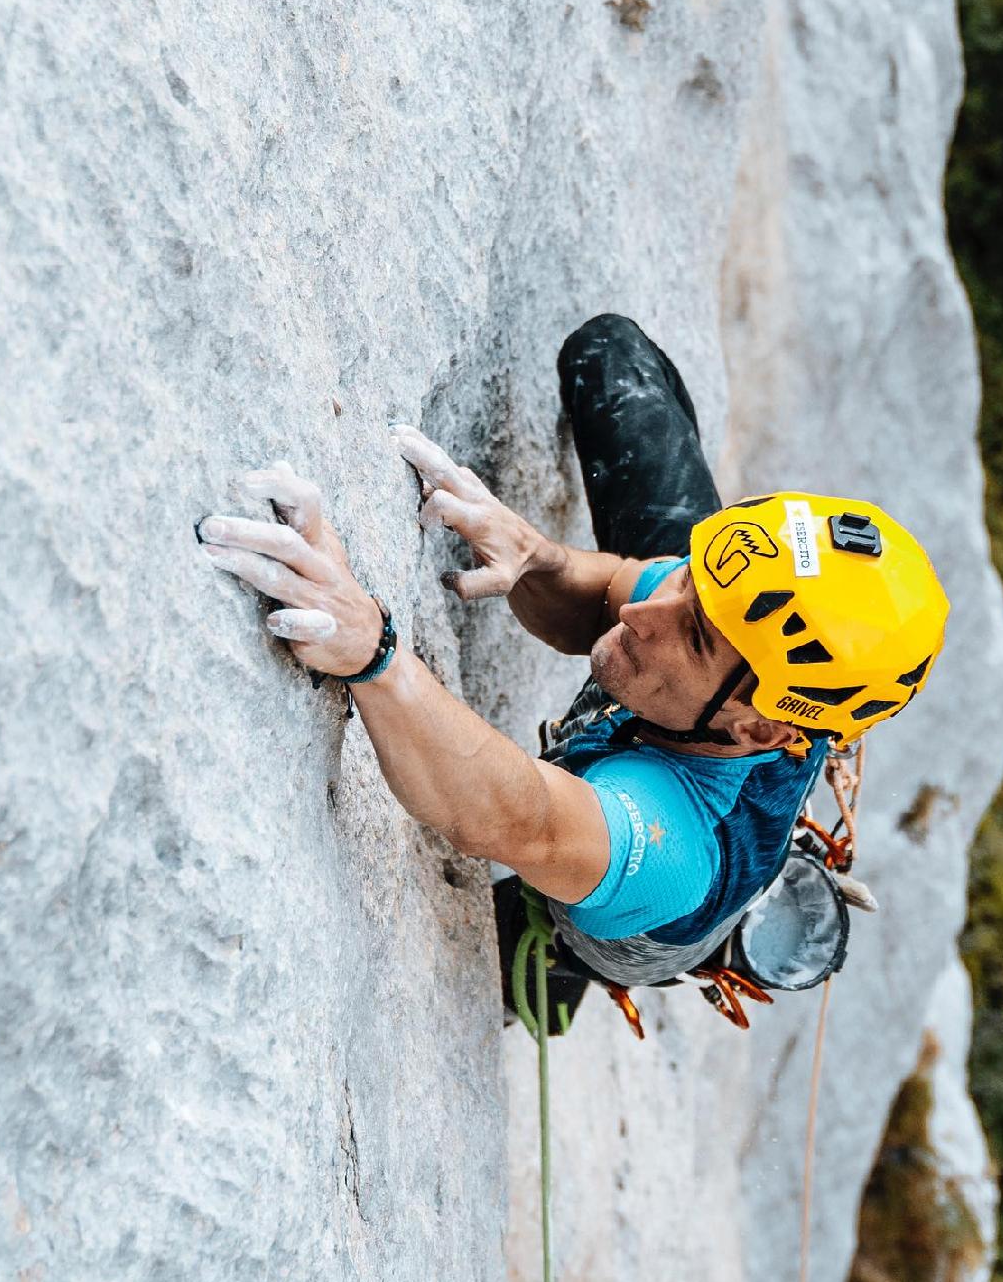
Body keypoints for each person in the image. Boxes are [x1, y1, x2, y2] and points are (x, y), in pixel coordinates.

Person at [198, 315, 949, 1029]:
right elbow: (611, 593)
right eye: (692, 579)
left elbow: (513, 817)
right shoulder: (726, 621)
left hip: (632, 905)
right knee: (609, 356)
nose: (647, 612)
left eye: (691, 634)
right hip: (702, 720)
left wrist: (372, 650)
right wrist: (534, 555)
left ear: (757, 722)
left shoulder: (676, 846)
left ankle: (561, 976)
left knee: (520, 956)